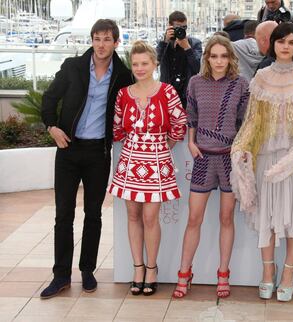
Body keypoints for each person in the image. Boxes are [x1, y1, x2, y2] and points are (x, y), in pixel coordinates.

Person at [231, 22, 293, 302]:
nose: (286, 46)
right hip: (267, 157)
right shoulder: (260, 77)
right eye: (281, 41)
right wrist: (243, 146)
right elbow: (252, 120)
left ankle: (289, 273)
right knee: (267, 217)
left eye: (292, 42)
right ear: (272, 44)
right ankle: (267, 273)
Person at [40, 19, 133, 299]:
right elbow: (49, 98)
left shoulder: (123, 75)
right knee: (63, 215)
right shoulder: (73, 67)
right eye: (97, 38)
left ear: (116, 42)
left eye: (107, 39)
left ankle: (87, 270)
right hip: (68, 149)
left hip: (98, 154)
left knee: (93, 215)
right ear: (92, 40)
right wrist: (52, 127)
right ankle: (60, 276)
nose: (101, 44)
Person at [172, 35, 249, 299]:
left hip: (228, 158)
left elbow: (244, 121)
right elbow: (190, 115)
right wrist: (191, 143)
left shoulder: (240, 84)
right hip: (203, 157)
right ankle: (184, 272)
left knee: (226, 218)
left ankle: (223, 273)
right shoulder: (195, 83)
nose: (219, 61)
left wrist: (240, 149)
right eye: (214, 56)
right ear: (206, 58)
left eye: (223, 56)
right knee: (194, 218)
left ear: (230, 58)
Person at [108, 41, 187, 296]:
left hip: (157, 160)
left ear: (155, 64)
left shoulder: (168, 91)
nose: (140, 68)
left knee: (150, 218)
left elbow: (179, 124)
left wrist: (163, 146)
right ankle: (137, 268)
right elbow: (117, 129)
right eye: (135, 64)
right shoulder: (123, 94)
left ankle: (152, 268)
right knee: (132, 216)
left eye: (145, 63)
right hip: (130, 160)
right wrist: (137, 142)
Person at [157, 11, 202, 109]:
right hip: (166, 94)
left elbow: (198, 68)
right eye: (178, 27)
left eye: (184, 27)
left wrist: (187, 48)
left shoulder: (194, 44)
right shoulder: (164, 43)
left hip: (187, 95)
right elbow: (155, 62)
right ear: (170, 26)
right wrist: (165, 42)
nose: (181, 30)